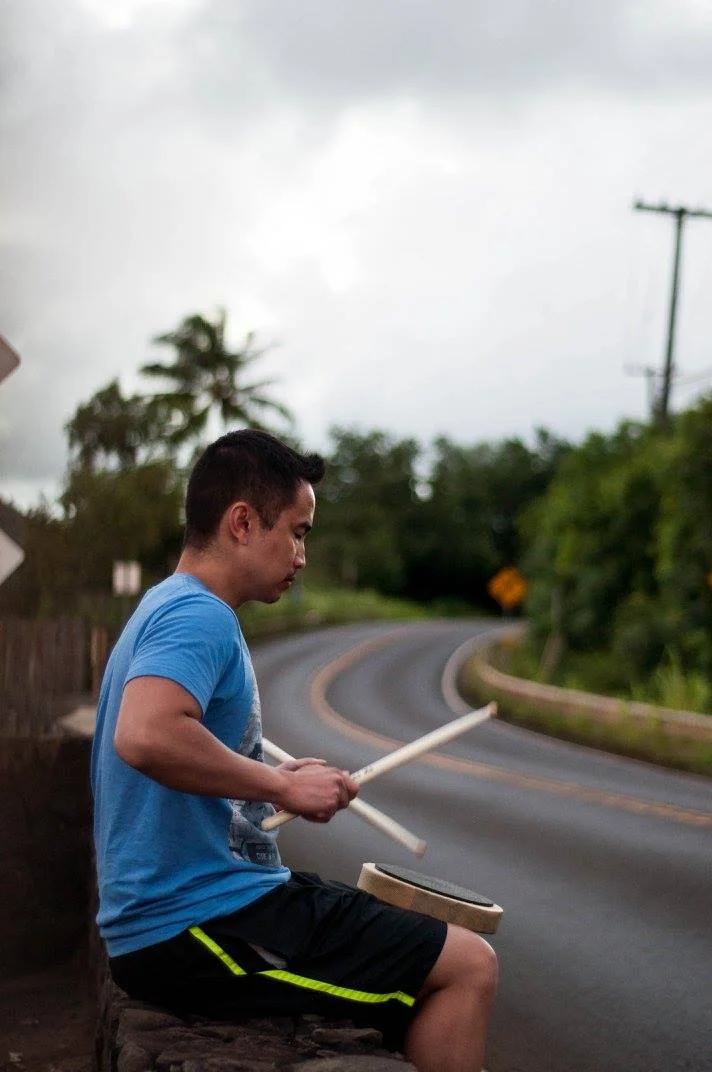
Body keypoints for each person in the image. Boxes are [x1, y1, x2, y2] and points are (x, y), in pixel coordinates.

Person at [91, 429, 497, 1072]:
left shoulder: (163, 606)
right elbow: (145, 735)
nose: (302, 554)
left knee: (415, 955)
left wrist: (275, 772)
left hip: (199, 911)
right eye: (298, 531)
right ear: (243, 522)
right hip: (194, 927)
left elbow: (181, 743)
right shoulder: (200, 617)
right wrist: (281, 789)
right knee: (468, 964)